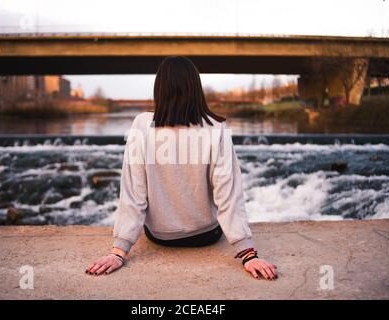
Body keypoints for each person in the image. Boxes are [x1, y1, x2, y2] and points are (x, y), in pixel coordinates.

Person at [86, 56, 277, 280]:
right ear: (196, 88)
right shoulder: (216, 128)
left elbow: (133, 193)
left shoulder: (141, 126)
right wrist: (247, 253)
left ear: (160, 89)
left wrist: (119, 251)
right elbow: (228, 194)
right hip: (206, 234)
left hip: (160, 236)